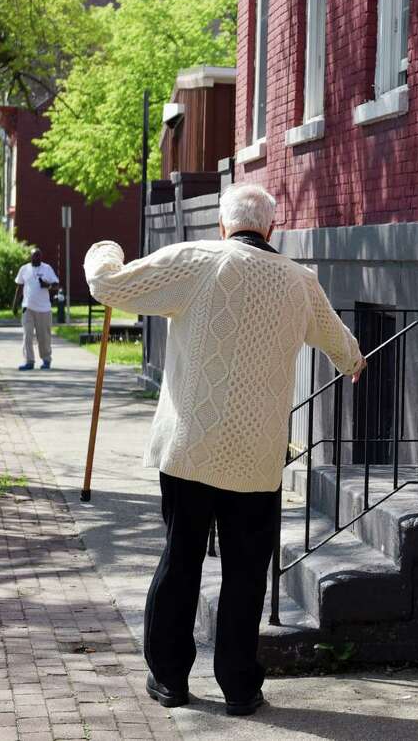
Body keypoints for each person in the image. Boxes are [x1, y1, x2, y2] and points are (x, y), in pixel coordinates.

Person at [84, 183, 365, 717]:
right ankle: (240, 687)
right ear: (271, 229)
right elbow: (335, 338)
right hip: (256, 457)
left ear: (222, 226)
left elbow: (108, 285)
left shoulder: (195, 260)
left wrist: (105, 250)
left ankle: (169, 679)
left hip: (190, 448)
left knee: (181, 556)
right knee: (244, 571)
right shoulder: (299, 281)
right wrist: (352, 361)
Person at [12, 248, 59, 370]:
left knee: (43, 337)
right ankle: (29, 361)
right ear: (30, 256)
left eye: (39, 256)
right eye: (34, 256)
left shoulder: (47, 268)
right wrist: (15, 304)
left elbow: (56, 285)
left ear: (41, 257)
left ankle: (46, 360)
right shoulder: (24, 269)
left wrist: (46, 285)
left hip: (44, 309)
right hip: (27, 308)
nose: (37, 258)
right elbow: (19, 287)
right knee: (27, 335)